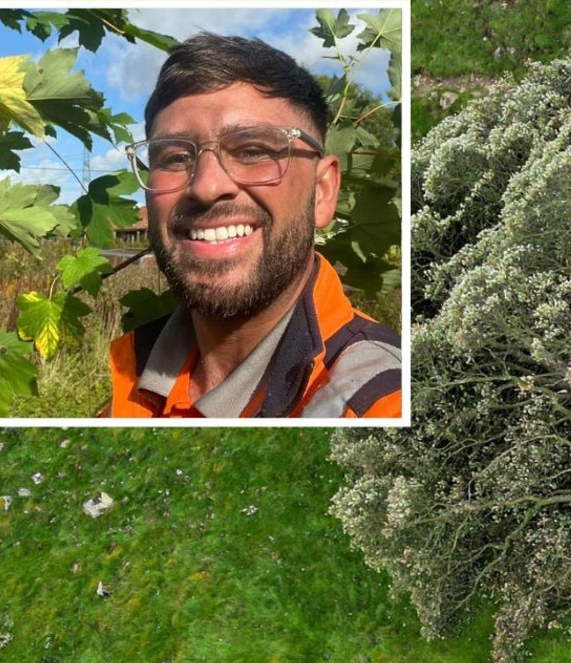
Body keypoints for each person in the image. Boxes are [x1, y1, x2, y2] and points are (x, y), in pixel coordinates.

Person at [106, 33, 402, 418]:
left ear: (322, 192)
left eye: (253, 151)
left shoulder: (378, 401)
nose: (207, 186)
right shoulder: (131, 367)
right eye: (176, 157)